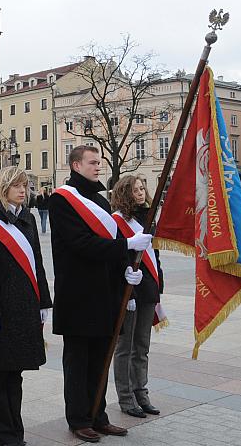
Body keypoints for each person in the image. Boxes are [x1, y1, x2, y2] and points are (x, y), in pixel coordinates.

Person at [49, 145, 149, 443]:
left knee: (100, 360)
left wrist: (126, 271)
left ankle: (98, 415)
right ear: (76, 165)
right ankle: (78, 418)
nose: (98, 167)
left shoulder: (100, 201)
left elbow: (112, 240)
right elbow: (81, 244)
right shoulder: (62, 200)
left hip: (105, 293)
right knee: (78, 363)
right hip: (78, 295)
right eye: (93, 162)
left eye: (100, 162)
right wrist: (126, 247)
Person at [0, 167, 52, 446]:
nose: (24, 190)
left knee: (15, 374)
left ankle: (15, 433)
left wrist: (44, 300)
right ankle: (3, 436)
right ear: (3, 187)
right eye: (18, 186)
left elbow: (38, 264)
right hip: (2, 312)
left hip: (25, 309)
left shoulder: (28, 218)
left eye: (26, 186)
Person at [111, 175, 163, 419]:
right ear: (124, 193)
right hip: (128, 291)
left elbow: (156, 257)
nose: (141, 193)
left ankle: (141, 392)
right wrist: (123, 287)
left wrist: (159, 288)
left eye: (143, 188)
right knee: (125, 347)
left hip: (148, 289)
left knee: (142, 346)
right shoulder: (117, 222)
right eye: (135, 190)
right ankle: (126, 397)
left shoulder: (149, 218)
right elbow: (116, 258)